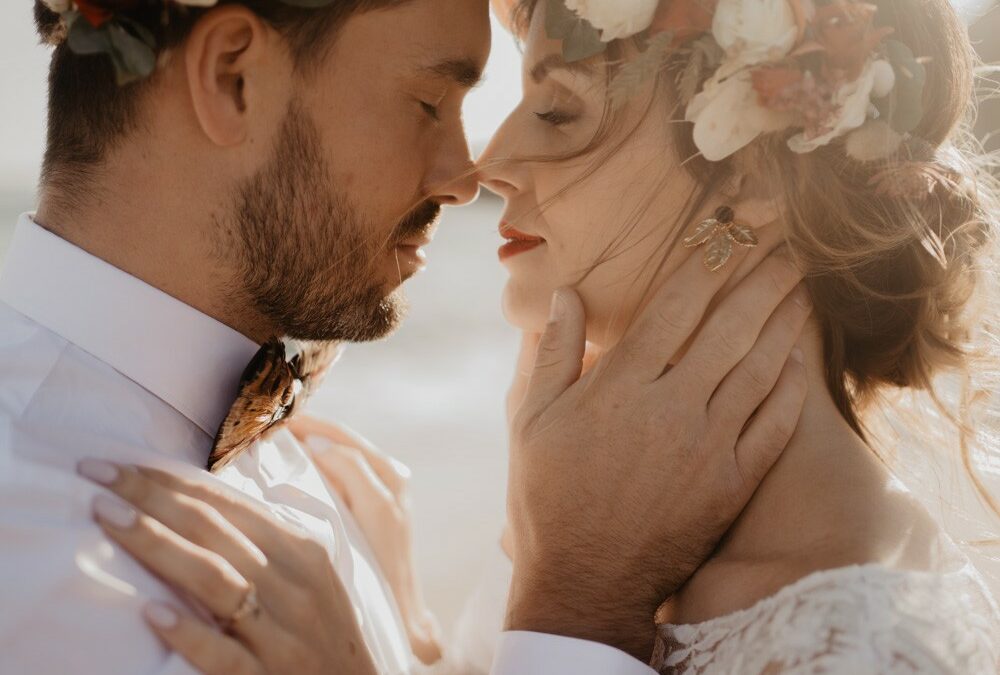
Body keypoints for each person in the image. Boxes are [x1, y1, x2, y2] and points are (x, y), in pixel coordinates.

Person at [91, 0, 1000, 672]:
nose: (487, 163)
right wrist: (416, 642)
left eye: (559, 112)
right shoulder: (598, 518)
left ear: (755, 175)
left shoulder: (864, 638)